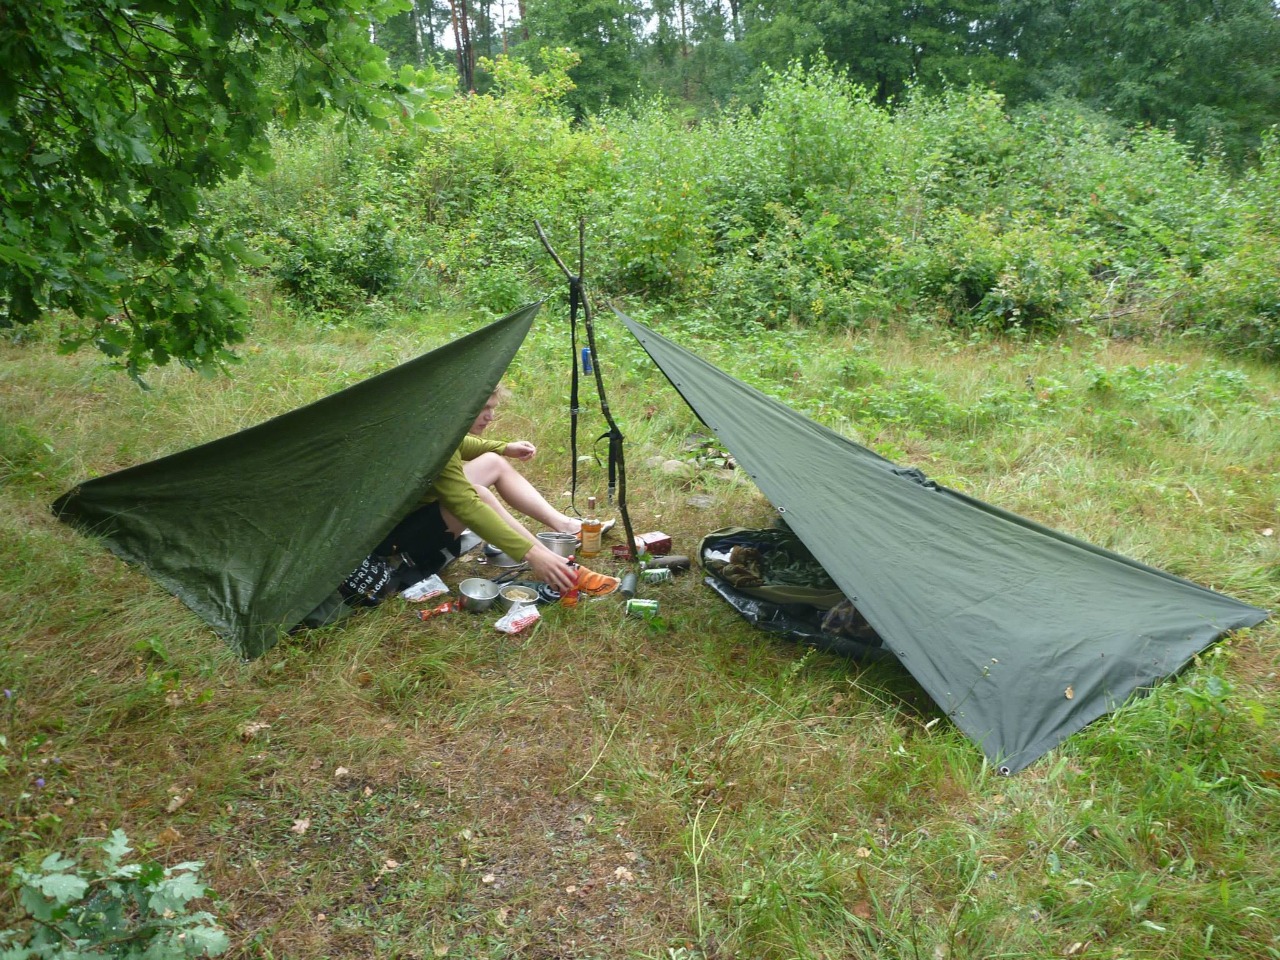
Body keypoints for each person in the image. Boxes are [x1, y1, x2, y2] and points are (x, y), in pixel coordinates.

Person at [348, 386, 615, 601]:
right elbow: (466, 505)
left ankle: (567, 527)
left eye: (492, 408)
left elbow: (458, 443)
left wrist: (503, 447)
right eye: (484, 408)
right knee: (478, 495)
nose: (491, 416)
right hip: (386, 541)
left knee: (493, 462)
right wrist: (532, 556)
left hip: (404, 512)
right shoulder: (435, 442)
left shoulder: (433, 422)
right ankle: (552, 562)